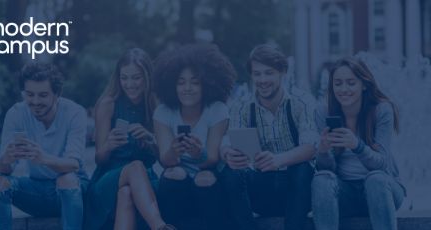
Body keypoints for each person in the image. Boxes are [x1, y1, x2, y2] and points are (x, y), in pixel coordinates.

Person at [220, 44, 318, 230]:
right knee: (230, 173)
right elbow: (226, 142)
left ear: (283, 72)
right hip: (260, 188)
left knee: (303, 168)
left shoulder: (302, 101)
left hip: (295, 191)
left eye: (269, 73)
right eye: (257, 74)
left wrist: (278, 160)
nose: (262, 80)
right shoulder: (241, 106)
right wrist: (228, 154)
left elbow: (311, 147)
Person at [0, 63, 88, 230]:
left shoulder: (75, 113)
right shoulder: (16, 113)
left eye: (43, 95)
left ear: (57, 94)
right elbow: (4, 169)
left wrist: (43, 158)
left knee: (67, 179)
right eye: (29, 95)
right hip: (37, 188)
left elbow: (73, 164)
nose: (35, 101)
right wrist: (6, 159)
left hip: (72, 191)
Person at [311, 57, 406, 230]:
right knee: (321, 179)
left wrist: (358, 146)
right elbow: (327, 169)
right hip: (346, 193)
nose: (344, 89)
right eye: (338, 83)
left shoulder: (381, 110)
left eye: (351, 83)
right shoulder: (323, 112)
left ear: (363, 84)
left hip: (384, 192)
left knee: (375, 179)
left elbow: (382, 164)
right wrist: (324, 152)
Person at [84, 48, 174, 230]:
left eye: (136, 78)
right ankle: (160, 227)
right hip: (108, 180)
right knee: (135, 167)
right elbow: (99, 159)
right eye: (124, 78)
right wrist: (108, 145)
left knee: (126, 193)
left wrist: (151, 140)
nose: (129, 84)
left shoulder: (156, 107)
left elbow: (166, 161)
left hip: (144, 183)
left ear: (147, 77)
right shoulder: (107, 104)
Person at [153, 44, 235, 230]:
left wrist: (199, 154)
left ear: (206, 84)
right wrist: (174, 151)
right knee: (175, 173)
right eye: (181, 82)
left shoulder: (217, 110)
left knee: (204, 177)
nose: (187, 88)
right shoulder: (163, 112)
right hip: (177, 177)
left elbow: (213, 159)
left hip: (208, 175)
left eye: (195, 82)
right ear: (172, 85)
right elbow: (166, 161)